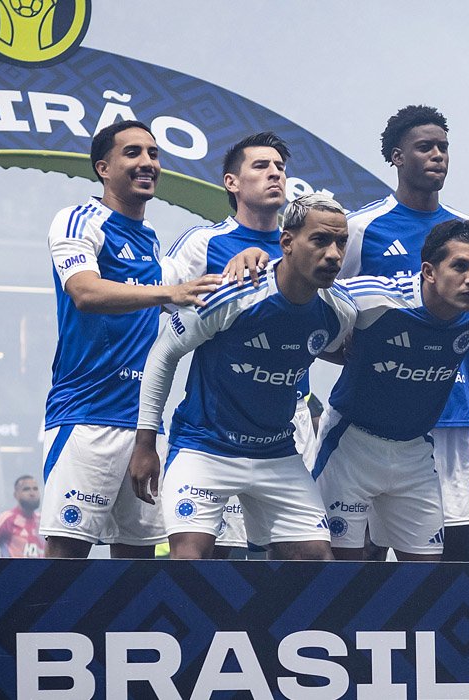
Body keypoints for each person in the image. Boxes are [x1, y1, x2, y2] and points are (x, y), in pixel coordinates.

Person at [128, 193, 356, 560]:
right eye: (320, 240)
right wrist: (145, 444)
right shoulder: (232, 293)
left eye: (341, 242)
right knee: (188, 562)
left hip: (277, 453)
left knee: (318, 565)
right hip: (205, 447)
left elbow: (319, 344)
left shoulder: (341, 311)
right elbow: (163, 353)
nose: (333, 253)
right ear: (287, 243)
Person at [41, 120, 222, 559]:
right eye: (133, 153)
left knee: (139, 562)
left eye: (154, 154)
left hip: (143, 426)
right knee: (65, 558)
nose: (147, 163)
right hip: (85, 416)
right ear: (103, 168)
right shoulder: (79, 219)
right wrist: (170, 293)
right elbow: (85, 292)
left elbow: (179, 295)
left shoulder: (150, 239)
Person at [314, 220, 469, 561]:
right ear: (429, 271)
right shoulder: (376, 297)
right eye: (460, 266)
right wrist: (335, 350)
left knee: (427, 580)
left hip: (414, 452)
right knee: (340, 575)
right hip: (350, 446)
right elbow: (307, 292)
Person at [339, 105, 469, 562]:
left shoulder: (464, 230)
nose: (438, 155)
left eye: (443, 147)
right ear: (397, 157)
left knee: (451, 560)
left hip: (451, 413)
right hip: (375, 421)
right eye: (425, 147)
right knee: (363, 560)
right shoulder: (363, 229)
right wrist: (360, 358)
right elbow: (331, 312)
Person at [161, 131, 301, 558]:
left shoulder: (304, 246)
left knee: (290, 560)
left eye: (279, 167)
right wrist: (226, 290)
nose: (274, 173)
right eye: (261, 166)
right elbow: (164, 312)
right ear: (232, 182)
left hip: (289, 427)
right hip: (215, 429)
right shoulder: (203, 244)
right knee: (217, 558)